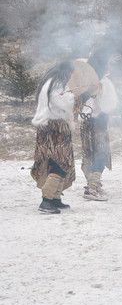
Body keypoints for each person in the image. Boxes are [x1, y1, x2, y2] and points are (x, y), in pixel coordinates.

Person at [31, 61, 76, 213]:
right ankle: (46, 200)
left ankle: (55, 198)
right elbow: (63, 103)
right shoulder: (57, 84)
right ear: (66, 71)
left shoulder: (51, 82)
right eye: (70, 73)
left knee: (57, 163)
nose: (70, 76)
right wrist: (72, 96)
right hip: (56, 128)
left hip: (50, 127)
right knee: (60, 163)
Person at [79, 51, 117, 201]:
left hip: (85, 122)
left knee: (89, 154)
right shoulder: (104, 83)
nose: (110, 66)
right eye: (108, 63)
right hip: (99, 122)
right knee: (101, 154)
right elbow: (110, 105)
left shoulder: (84, 81)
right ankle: (92, 187)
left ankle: (92, 184)